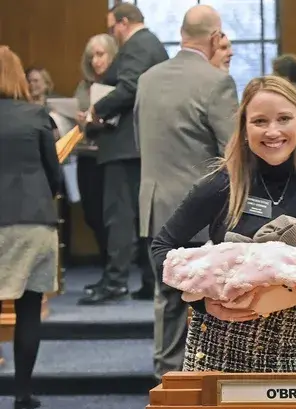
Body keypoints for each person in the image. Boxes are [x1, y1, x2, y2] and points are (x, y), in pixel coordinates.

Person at [151, 75, 296, 372]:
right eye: (260, 121)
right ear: (245, 129)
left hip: (292, 350)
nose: (273, 131)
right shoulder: (221, 183)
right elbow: (161, 248)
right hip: (218, 350)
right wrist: (202, 302)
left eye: (284, 118)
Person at [135, 4, 239, 380]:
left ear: (181, 34)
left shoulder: (147, 79)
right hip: (201, 215)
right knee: (210, 302)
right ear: (215, 38)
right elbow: (235, 154)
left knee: (168, 300)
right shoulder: (216, 82)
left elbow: (139, 144)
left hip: (155, 206)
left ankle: (166, 382)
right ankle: (202, 382)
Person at [79, 2, 168, 304]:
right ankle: (146, 280)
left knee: (118, 216)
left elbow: (129, 87)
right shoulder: (148, 45)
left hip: (125, 147)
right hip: (137, 146)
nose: (111, 33)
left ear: (124, 22)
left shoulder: (138, 45)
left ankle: (115, 282)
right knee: (141, 218)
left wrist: (96, 109)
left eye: (112, 26)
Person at [0, 46, 61, 409]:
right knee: (28, 308)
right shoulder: (38, 116)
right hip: (34, 221)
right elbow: (54, 175)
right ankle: (22, 394)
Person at [74, 33, 118, 270]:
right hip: (86, 155)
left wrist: (96, 119)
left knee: (110, 214)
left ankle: (112, 266)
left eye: (100, 55)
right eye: (91, 56)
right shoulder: (84, 85)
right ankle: (105, 261)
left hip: (110, 157)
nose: (95, 61)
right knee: (91, 213)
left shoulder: (119, 86)